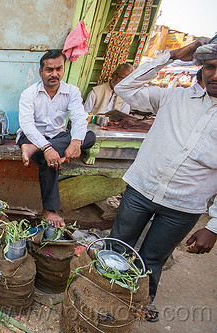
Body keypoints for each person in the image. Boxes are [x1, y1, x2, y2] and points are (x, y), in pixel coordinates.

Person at [110, 38, 217, 322]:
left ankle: (142, 299)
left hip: (184, 206)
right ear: (202, 68)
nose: (215, 75)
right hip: (142, 189)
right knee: (117, 245)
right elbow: (124, 88)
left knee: (153, 258)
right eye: (210, 67)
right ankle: (107, 290)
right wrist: (172, 55)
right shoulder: (175, 97)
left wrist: (214, 227)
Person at [17, 49, 96, 227]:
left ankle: (35, 150)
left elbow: (79, 118)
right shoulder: (29, 94)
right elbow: (27, 126)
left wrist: (75, 142)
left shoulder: (72, 92)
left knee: (89, 136)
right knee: (49, 159)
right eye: (49, 70)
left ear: (63, 69)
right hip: (32, 137)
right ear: (41, 72)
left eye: (58, 69)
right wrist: (47, 148)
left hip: (57, 137)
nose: (54, 74)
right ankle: (50, 210)